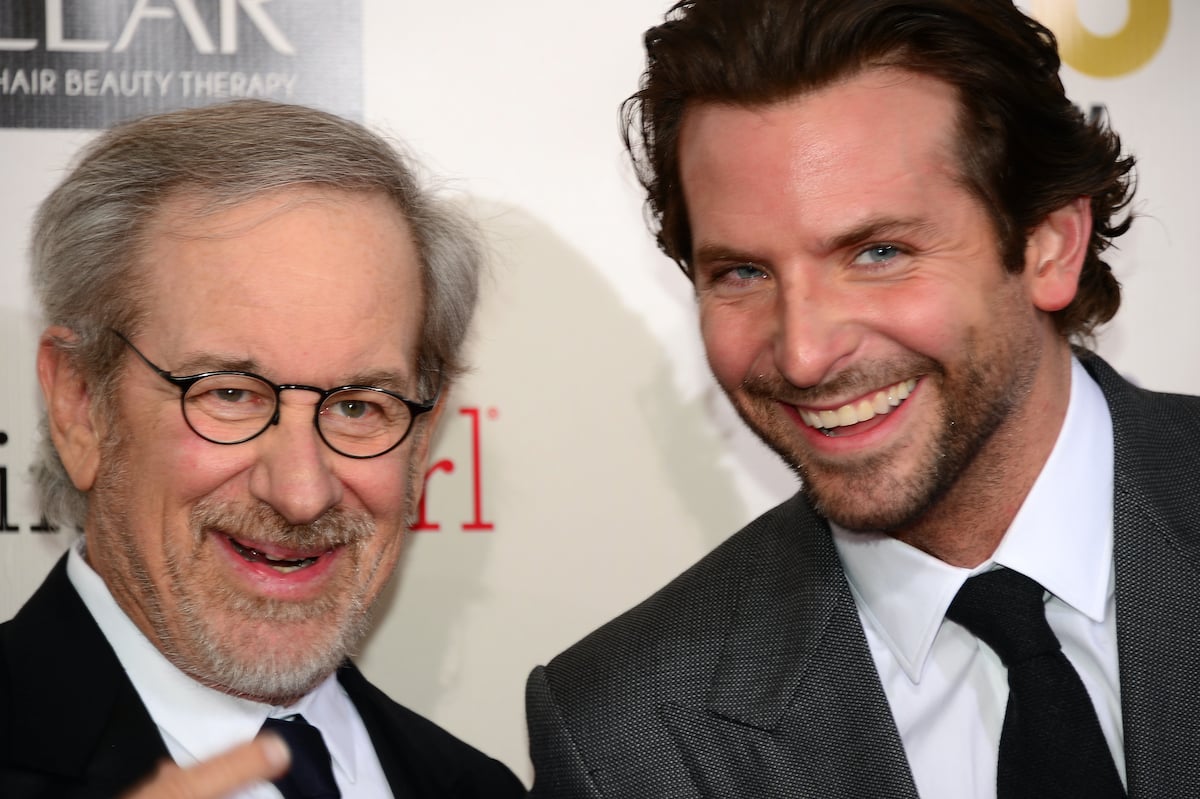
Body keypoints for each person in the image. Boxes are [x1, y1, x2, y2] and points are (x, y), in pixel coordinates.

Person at [526, 1, 1200, 796]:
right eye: (743, 272)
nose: (805, 355)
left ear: (1050, 244)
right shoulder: (628, 735)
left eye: (878, 252)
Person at [0, 99, 526, 798]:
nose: (302, 490)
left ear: (422, 444)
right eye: (230, 393)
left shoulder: (477, 788)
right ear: (81, 405)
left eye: (357, 405)